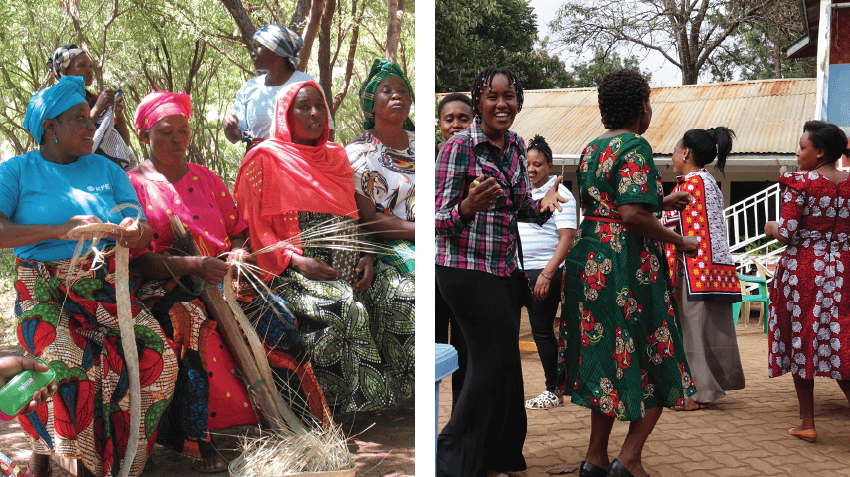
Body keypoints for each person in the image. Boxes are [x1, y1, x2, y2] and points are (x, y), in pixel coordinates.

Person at [127, 91, 328, 472]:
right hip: (167, 283)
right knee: (190, 325)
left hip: (223, 277)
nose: (177, 140)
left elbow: (238, 230)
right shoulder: (132, 184)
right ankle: (196, 441)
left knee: (278, 318)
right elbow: (139, 262)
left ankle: (300, 422)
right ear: (144, 136)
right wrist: (192, 266)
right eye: (166, 132)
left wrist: (236, 252)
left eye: (183, 131)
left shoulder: (204, 177)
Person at [0, 75, 177, 477]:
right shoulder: (17, 172)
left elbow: (139, 221)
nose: (90, 126)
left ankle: (124, 464)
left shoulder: (105, 168)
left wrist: (135, 229)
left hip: (105, 287)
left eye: (90, 118)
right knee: (67, 366)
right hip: (43, 291)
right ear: (50, 127)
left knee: (159, 361)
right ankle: (68, 462)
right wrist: (59, 229)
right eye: (79, 118)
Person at [234, 80, 414, 412]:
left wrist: (365, 255)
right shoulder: (264, 158)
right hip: (294, 264)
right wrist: (295, 262)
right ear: (286, 115)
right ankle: (344, 406)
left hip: (349, 257)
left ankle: (403, 392)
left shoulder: (334, 156)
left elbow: (350, 214)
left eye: (320, 106)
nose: (315, 113)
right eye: (304, 107)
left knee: (402, 293)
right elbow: (253, 226)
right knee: (344, 306)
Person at [557, 69, 698, 477]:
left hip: (590, 260)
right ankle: (630, 458)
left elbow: (609, 204)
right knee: (656, 352)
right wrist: (678, 241)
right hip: (626, 264)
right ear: (640, 108)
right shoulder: (636, 145)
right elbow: (631, 214)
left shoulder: (591, 147)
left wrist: (665, 198)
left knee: (603, 354)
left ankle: (595, 459)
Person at [435, 66, 567, 477]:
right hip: (464, 269)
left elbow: (520, 207)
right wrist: (467, 208)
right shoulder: (458, 148)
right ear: (478, 101)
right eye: (492, 96)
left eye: (508, 96)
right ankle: (449, 457)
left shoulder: (515, 146)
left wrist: (543, 206)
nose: (501, 103)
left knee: (505, 367)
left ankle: (500, 457)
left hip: (505, 270)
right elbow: (436, 219)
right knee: (490, 365)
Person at [763, 120, 850, 443]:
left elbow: (786, 233)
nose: (798, 153)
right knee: (840, 338)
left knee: (802, 339)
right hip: (842, 270)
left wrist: (770, 226)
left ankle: (809, 422)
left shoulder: (801, 183)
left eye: (802, 147)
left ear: (820, 152)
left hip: (804, 271)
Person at [662, 127, 745, 412]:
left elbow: (676, 228)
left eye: (674, 151)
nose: (672, 157)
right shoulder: (709, 181)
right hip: (713, 268)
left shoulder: (690, 183)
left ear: (685, 152)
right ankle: (710, 385)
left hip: (692, 268)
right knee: (709, 330)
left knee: (692, 332)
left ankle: (698, 393)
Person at [519, 135, 577, 410]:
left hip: (542, 274)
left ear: (550, 166)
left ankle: (554, 390)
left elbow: (567, 238)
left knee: (542, 331)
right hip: (515, 272)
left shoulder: (560, 193)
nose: (531, 169)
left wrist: (547, 274)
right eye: (527, 164)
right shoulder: (520, 192)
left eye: (538, 164)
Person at [345, 59, 415, 276]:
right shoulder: (358, 153)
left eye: (403, 91)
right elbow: (370, 220)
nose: (397, 95)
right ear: (371, 106)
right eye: (387, 91)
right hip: (390, 241)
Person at [223, 24, 334, 151]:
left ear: (277, 50)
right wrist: (230, 128)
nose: (252, 54)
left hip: (298, 165)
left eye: (258, 47)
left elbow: (327, 131)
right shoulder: (249, 88)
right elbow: (235, 137)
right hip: (260, 165)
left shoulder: (306, 84)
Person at [434, 92, 473, 409]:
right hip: (432, 270)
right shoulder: (427, 160)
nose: (457, 125)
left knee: (465, 351)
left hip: (462, 269)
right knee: (432, 354)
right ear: (440, 124)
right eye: (450, 119)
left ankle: (459, 427)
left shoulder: (480, 162)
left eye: (464, 118)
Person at [47, 44, 135, 169]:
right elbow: (70, 141)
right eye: (82, 66)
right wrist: (98, 109)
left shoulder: (95, 99)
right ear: (65, 73)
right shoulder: (57, 104)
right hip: (76, 171)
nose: (89, 71)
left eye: (90, 66)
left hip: (104, 171)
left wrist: (119, 116)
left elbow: (123, 144)